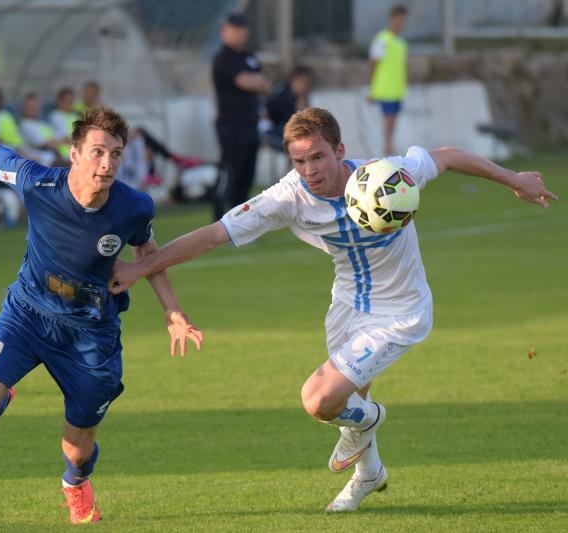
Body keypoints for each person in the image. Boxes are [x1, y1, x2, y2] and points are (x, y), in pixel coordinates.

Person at [108, 107, 557, 513]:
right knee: (350, 405)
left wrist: (514, 178)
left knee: (320, 401)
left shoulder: (387, 177)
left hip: (399, 313)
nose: (309, 171)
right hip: (345, 307)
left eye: (318, 157)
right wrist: (140, 267)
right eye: (299, 161)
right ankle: (368, 476)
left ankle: (373, 419)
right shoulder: (288, 197)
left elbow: (451, 156)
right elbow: (212, 235)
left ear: (339, 150)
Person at [0, 104, 204, 525]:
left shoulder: (135, 206)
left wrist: (173, 310)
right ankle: (2, 392)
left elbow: (147, 252)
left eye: (116, 153)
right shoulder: (37, 183)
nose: (107, 163)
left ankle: (75, 484)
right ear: (75, 154)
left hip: (91, 334)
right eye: (98, 152)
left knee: (77, 450)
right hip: (26, 314)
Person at [211, 11, 271, 221]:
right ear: (224, 32)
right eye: (234, 29)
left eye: (242, 29)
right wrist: (256, 81)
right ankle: (218, 220)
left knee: (247, 176)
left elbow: (264, 83)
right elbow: (245, 81)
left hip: (251, 124)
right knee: (229, 174)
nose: (239, 34)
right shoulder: (223, 58)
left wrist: (257, 82)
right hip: (231, 126)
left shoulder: (249, 57)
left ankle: (240, 223)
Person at [368, 5, 408, 156]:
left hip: (397, 90)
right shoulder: (383, 39)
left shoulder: (401, 42)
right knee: (388, 123)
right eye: (398, 21)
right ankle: (387, 152)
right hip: (384, 90)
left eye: (403, 21)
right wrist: (372, 89)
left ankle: (389, 150)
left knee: (393, 125)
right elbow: (373, 63)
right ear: (391, 20)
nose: (400, 24)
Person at [265, 65, 314, 150]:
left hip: (287, 128)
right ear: (294, 80)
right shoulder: (282, 93)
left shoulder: (300, 94)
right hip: (273, 128)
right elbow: (286, 119)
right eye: (302, 82)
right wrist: (301, 101)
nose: (304, 86)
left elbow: (307, 119)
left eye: (306, 83)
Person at [19, 92, 61, 166]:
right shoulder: (26, 125)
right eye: (31, 106)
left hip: (55, 158)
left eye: (36, 106)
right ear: (24, 108)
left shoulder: (44, 124)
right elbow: (45, 144)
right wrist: (64, 141)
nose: (35, 108)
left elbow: (56, 140)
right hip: (42, 163)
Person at [49, 86, 79, 161]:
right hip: (64, 155)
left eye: (71, 102)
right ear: (60, 102)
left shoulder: (75, 116)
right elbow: (65, 137)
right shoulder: (56, 115)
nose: (70, 104)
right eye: (67, 101)